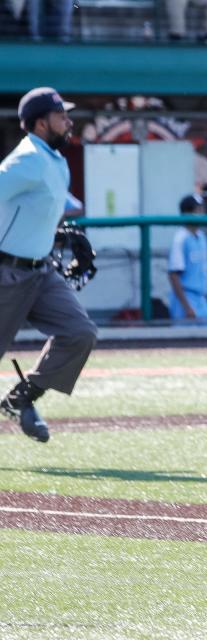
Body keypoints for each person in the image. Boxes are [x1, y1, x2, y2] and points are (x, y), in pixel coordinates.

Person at [0, 87, 98, 443]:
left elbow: (53, 205)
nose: (69, 121)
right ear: (41, 123)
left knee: (79, 333)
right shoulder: (28, 158)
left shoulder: (54, 160)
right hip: (6, 272)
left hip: (40, 271)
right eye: (61, 116)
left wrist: (58, 232)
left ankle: (21, 398)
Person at [168, 194, 207, 326]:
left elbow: (204, 274)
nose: (202, 214)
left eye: (203, 210)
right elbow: (174, 275)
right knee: (184, 344)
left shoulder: (202, 237)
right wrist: (187, 307)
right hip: (185, 298)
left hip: (201, 298)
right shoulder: (180, 238)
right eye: (198, 210)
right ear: (186, 213)